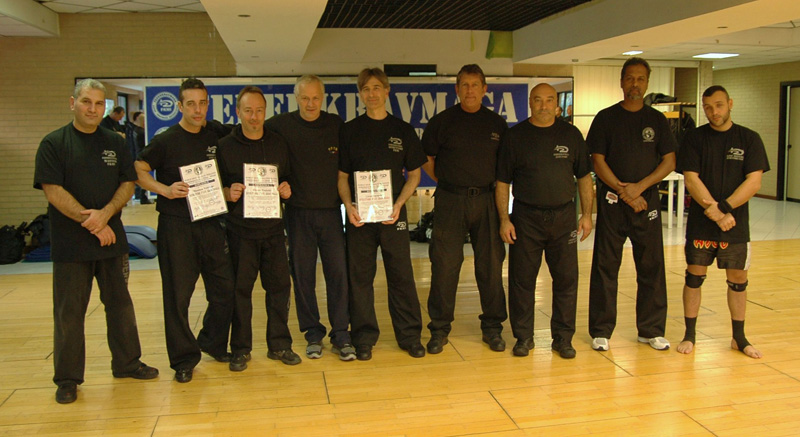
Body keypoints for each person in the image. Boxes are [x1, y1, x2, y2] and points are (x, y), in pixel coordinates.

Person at [34, 79, 158, 404]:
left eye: (99, 103)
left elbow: (128, 183)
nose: (92, 109)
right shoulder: (54, 143)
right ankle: (68, 379)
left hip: (111, 240)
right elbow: (53, 190)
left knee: (120, 305)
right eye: (86, 102)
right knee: (69, 313)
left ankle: (127, 363)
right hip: (71, 245)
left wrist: (105, 215)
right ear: (72, 103)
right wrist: (92, 221)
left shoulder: (115, 142)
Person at [135, 78, 235, 383]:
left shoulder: (216, 133)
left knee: (225, 289)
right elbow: (138, 169)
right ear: (180, 106)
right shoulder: (166, 140)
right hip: (176, 226)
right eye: (191, 104)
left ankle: (212, 341)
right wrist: (164, 190)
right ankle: (183, 359)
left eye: (202, 103)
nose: (197, 109)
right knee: (178, 296)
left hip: (211, 222)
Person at [495, 83, 594, 359]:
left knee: (566, 280)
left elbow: (584, 177)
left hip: (563, 217)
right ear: (530, 102)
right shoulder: (515, 136)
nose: (543, 105)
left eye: (549, 100)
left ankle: (563, 338)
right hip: (526, 217)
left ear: (557, 104)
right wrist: (504, 219)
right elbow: (502, 182)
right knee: (521, 280)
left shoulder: (571, 135)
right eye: (538, 100)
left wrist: (587, 214)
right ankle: (523, 337)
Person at [587, 57, 677, 351]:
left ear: (647, 83)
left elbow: (669, 161)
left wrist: (640, 188)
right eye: (630, 78)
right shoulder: (605, 118)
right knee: (605, 267)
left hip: (646, 203)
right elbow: (597, 161)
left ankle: (651, 330)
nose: (635, 84)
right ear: (621, 82)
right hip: (613, 203)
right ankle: (601, 330)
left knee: (651, 267)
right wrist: (623, 190)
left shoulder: (657, 120)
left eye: (640, 79)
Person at [338, 67, 426, 360]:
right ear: (360, 94)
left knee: (401, 276)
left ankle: (410, 336)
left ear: (387, 91)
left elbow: (415, 174)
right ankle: (363, 338)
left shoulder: (403, 130)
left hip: (393, 216)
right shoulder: (349, 130)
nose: (371, 94)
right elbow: (342, 177)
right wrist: (349, 205)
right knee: (360, 278)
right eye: (366, 89)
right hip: (360, 219)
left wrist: (399, 204)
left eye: (377, 88)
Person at [265, 75, 355, 361]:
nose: (311, 103)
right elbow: (253, 138)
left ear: (323, 98)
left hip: (331, 213)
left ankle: (341, 333)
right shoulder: (279, 125)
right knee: (303, 276)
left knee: (338, 274)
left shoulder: (336, 125)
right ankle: (313, 333)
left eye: (316, 98)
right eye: (305, 98)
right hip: (297, 213)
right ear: (296, 98)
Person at [676, 85, 769, 359]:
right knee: (694, 276)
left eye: (718, 105)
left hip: (735, 224)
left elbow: (754, 181)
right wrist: (715, 212)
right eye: (708, 107)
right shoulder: (694, 138)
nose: (713, 112)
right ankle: (689, 334)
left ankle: (739, 338)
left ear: (730, 103)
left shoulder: (749, 138)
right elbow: (691, 178)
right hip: (703, 223)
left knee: (738, 280)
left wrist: (725, 208)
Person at [422, 64, 508, 354]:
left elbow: (503, 169)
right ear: (457, 89)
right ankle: (439, 329)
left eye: (475, 85)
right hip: (450, 200)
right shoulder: (441, 122)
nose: (470, 90)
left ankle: (493, 328)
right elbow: (428, 159)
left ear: (485, 89)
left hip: (487, 200)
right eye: (465, 85)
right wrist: (448, 181)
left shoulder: (497, 124)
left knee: (491, 266)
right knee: (445, 266)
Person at [217, 86, 301, 371]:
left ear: (266, 112)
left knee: (280, 288)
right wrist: (227, 192)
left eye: (259, 111)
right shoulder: (225, 146)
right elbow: (217, 188)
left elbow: (288, 178)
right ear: (238, 112)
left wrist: (287, 189)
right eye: (248, 111)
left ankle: (279, 344)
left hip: (274, 230)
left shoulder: (278, 143)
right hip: (240, 231)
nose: (254, 117)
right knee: (240, 291)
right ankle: (240, 349)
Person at [129, 112, 152, 204]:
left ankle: (140, 195)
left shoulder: (135, 131)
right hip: (142, 155)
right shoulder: (143, 133)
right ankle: (142, 196)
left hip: (136, 153)